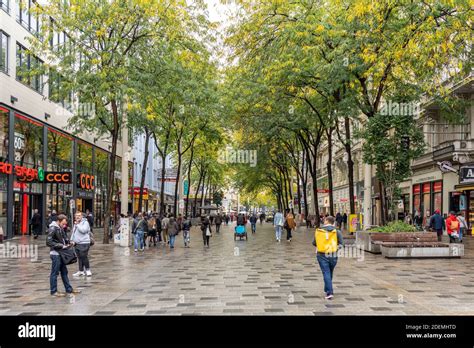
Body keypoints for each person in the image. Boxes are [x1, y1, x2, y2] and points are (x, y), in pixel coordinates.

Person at [47, 214, 81, 297]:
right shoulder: (53, 228)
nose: (64, 225)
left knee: (64, 272)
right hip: (56, 254)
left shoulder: (60, 228)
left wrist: (69, 242)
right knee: (54, 273)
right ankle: (53, 291)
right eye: (63, 223)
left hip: (61, 253)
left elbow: (64, 238)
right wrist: (61, 245)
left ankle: (69, 289)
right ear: (59, 221)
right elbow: (49, 242)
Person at [312, 216, 344, 300]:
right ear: (333, 222)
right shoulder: (337, 231)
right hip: (333, 254)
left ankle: (329, 292)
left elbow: (314, 243)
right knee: (329, 272)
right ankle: (327, 289)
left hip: (321, 254)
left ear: (326, 221)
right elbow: (342, 244)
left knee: (326, 272)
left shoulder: (319, 230)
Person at [71, 212, 92, 277]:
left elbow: (83, 230)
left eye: (79, 216)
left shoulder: (85, 223)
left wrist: (77, 225)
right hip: (77, 243)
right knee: (79, 257)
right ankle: (81, 271)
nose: (77, 217)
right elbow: (73, 232)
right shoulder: (76, 223)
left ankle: (88, 270)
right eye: (76, 216)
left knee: (84, 256)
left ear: (82, 216)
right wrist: (71, 240)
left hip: (84, 243)